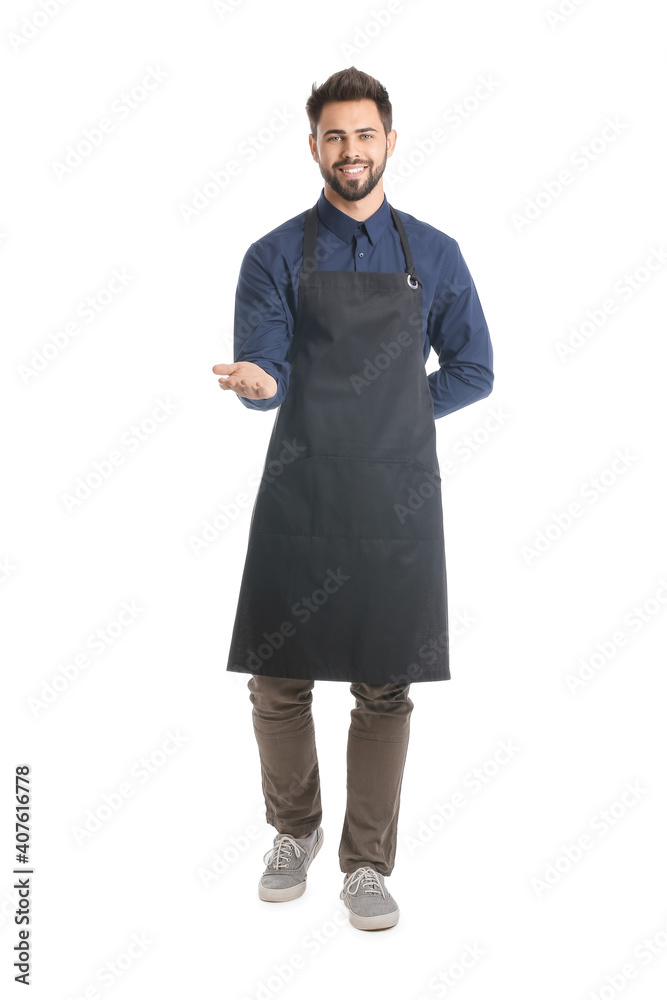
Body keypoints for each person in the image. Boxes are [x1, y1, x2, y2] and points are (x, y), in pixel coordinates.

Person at [212, 66, 494, 931]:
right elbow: (266, 368)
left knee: (385, 688)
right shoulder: (271, 256)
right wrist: (261, 384)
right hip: (301, 489)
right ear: (313, 148)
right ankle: (292, 832)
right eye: (333, 136)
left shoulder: (435, 255)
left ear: (390, 142)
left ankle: (366, 865)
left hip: (396, 500)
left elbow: (475, 370)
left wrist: (400, 412)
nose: (350, 150)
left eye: (364, 135)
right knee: (277, 679)